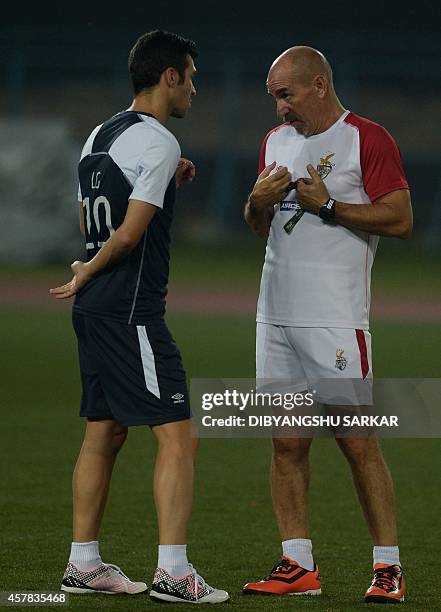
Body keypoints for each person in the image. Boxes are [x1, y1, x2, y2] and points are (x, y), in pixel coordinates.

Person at [49, 30, 228, 604]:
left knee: (103, 430)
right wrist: (87, 270)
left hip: (95, 309)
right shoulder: (158, 142)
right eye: (192, 77)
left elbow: (92, 226)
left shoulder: (100, 134)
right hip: (130, 310)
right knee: (180, 435)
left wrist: (87, 268)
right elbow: (125, 237)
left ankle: (83, 564)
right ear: (170, 76)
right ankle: (174, 572)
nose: (195, 89)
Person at [242, 46, 412, 604]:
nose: (279, 110)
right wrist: (256, 202)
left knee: (357, 441)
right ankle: (298, 565)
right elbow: (259, 225)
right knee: (286, 444)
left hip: (334, 321)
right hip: (276, 319)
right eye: (273, 97)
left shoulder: (367, 138)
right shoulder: (276, 143)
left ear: (318, 85)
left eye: (285, 96)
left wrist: (331, 208)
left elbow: (401, 218)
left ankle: (388, 568)